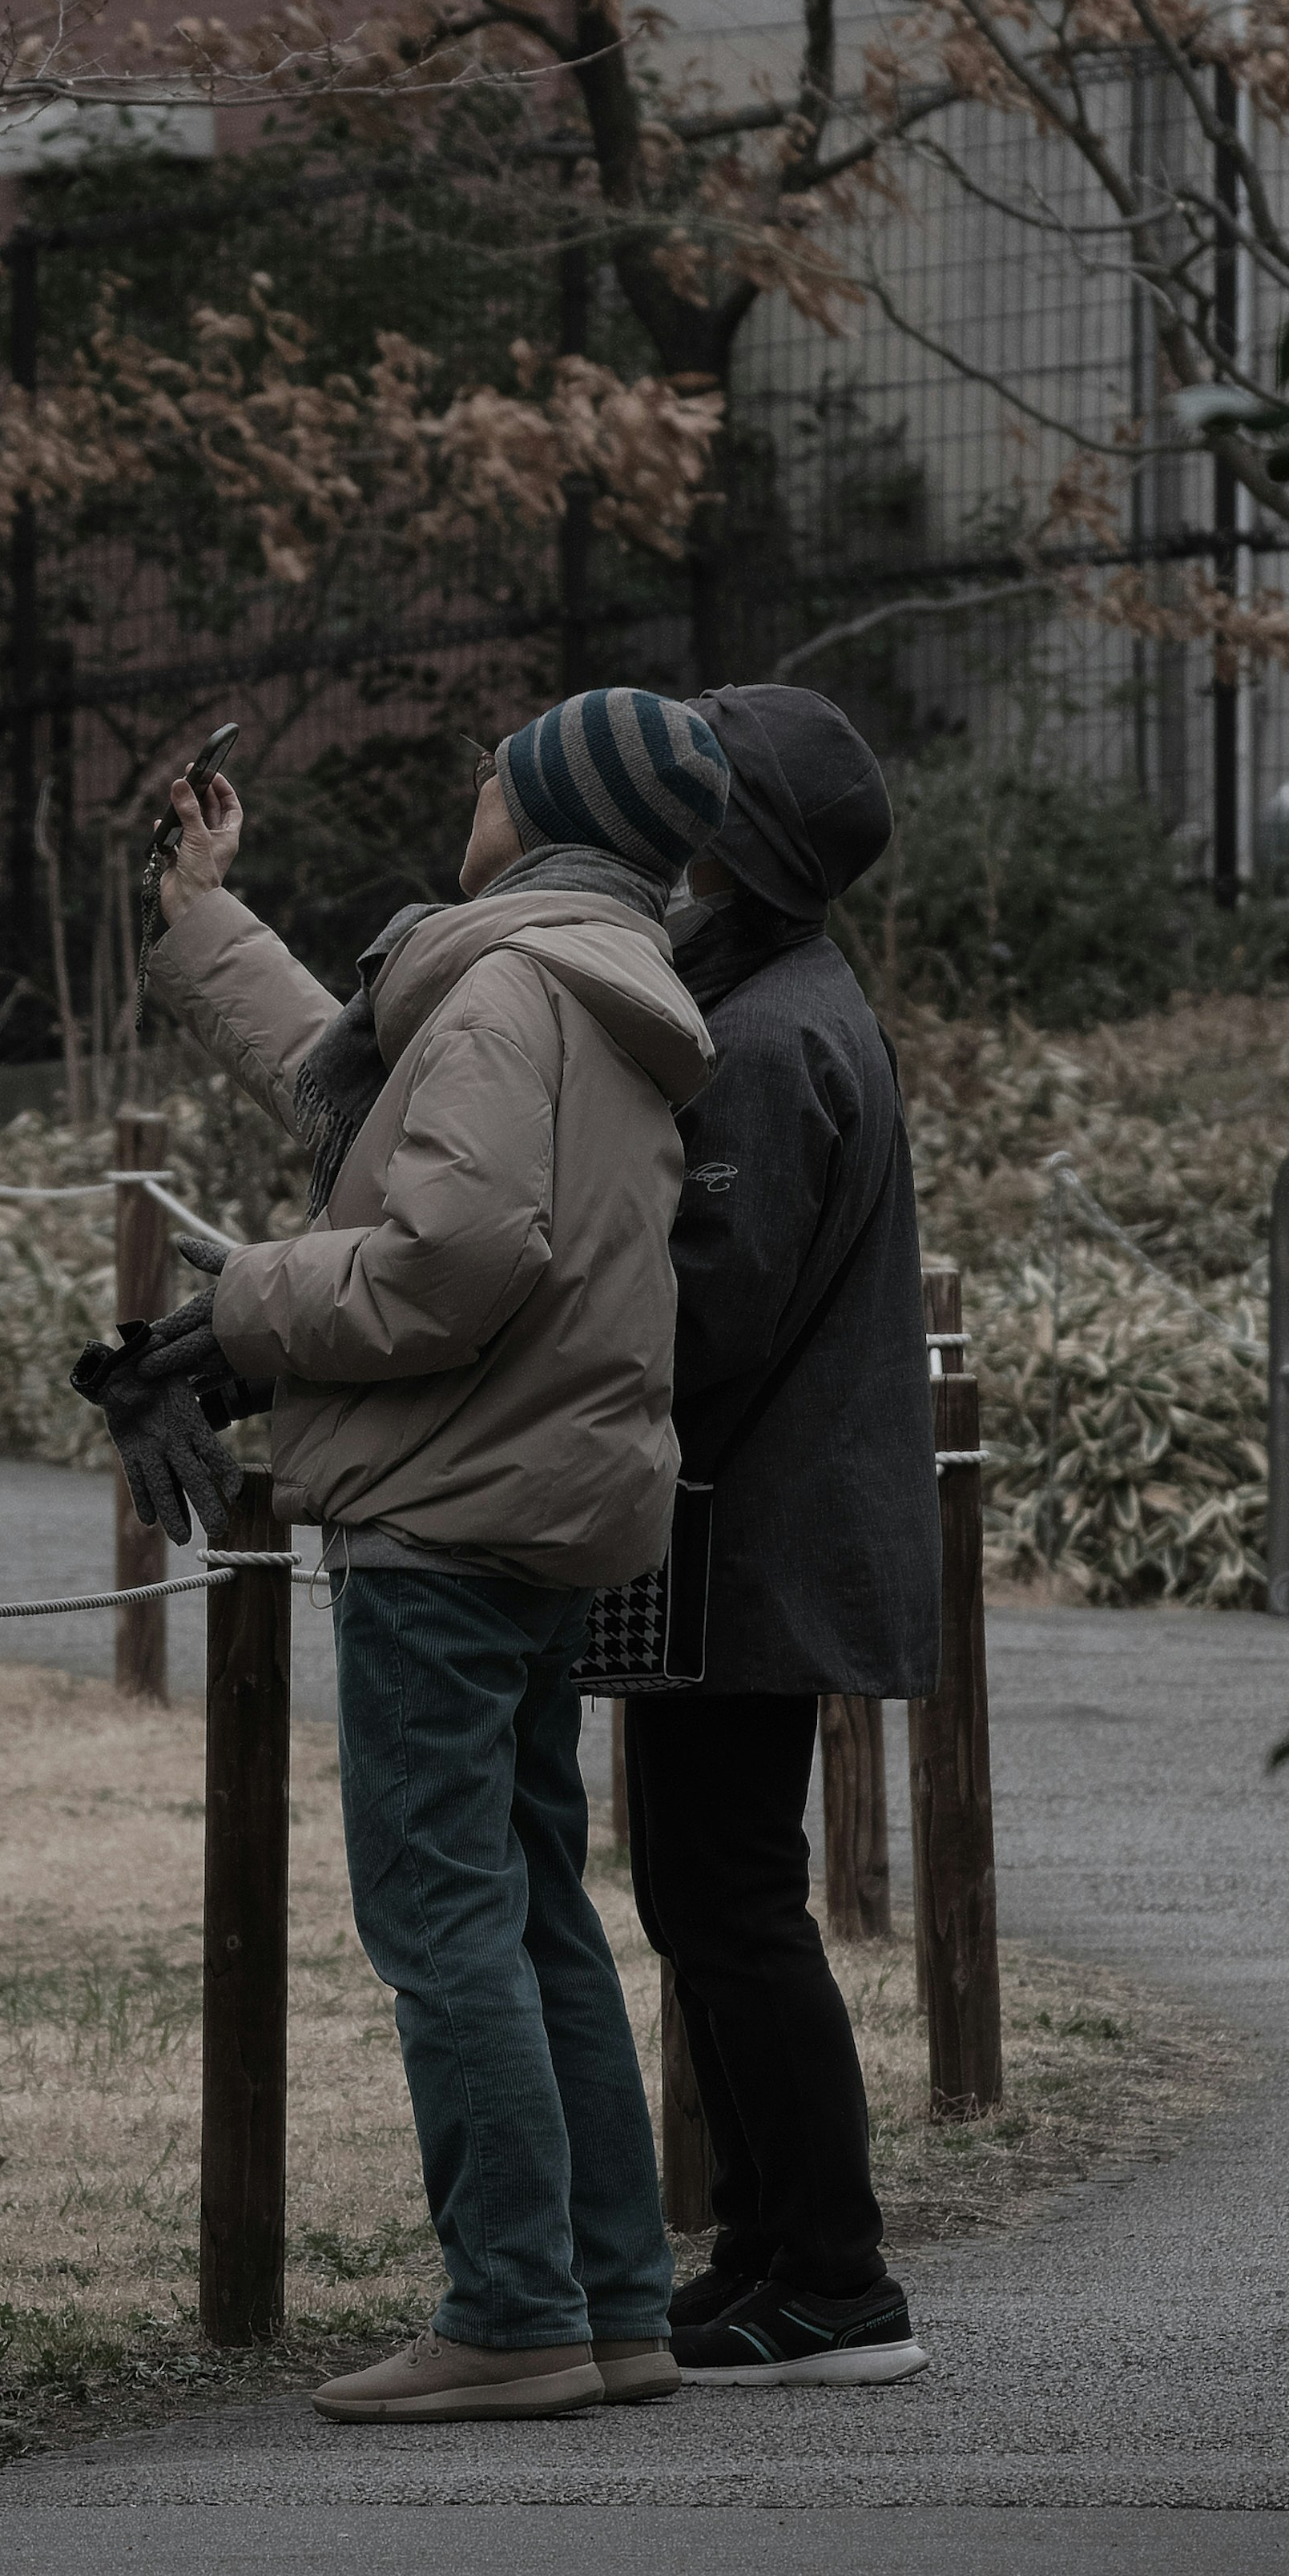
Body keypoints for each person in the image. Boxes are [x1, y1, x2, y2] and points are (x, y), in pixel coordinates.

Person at [118, 686, 728, 2425]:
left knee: (443, 1913)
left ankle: (514, 2307)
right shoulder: (591, 983)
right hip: (548, 1508)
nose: (469, 791)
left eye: (491, 773)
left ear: (539, 814)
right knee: (534, 1904)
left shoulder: (504, 990)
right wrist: (206, 920)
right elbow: (362, 1095)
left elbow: (450, 1252)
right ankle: (611, 2301)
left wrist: (236, 1301)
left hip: (441, 1517)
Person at [627, 680, 937, 2388]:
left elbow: (707, 1314)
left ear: (734, 850)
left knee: (733, 1896)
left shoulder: (763, 1034)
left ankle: (835, 2269)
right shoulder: (774, 999)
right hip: (764, 1528)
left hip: (761, 1535)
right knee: (706, 1891)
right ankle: (760, 2244)